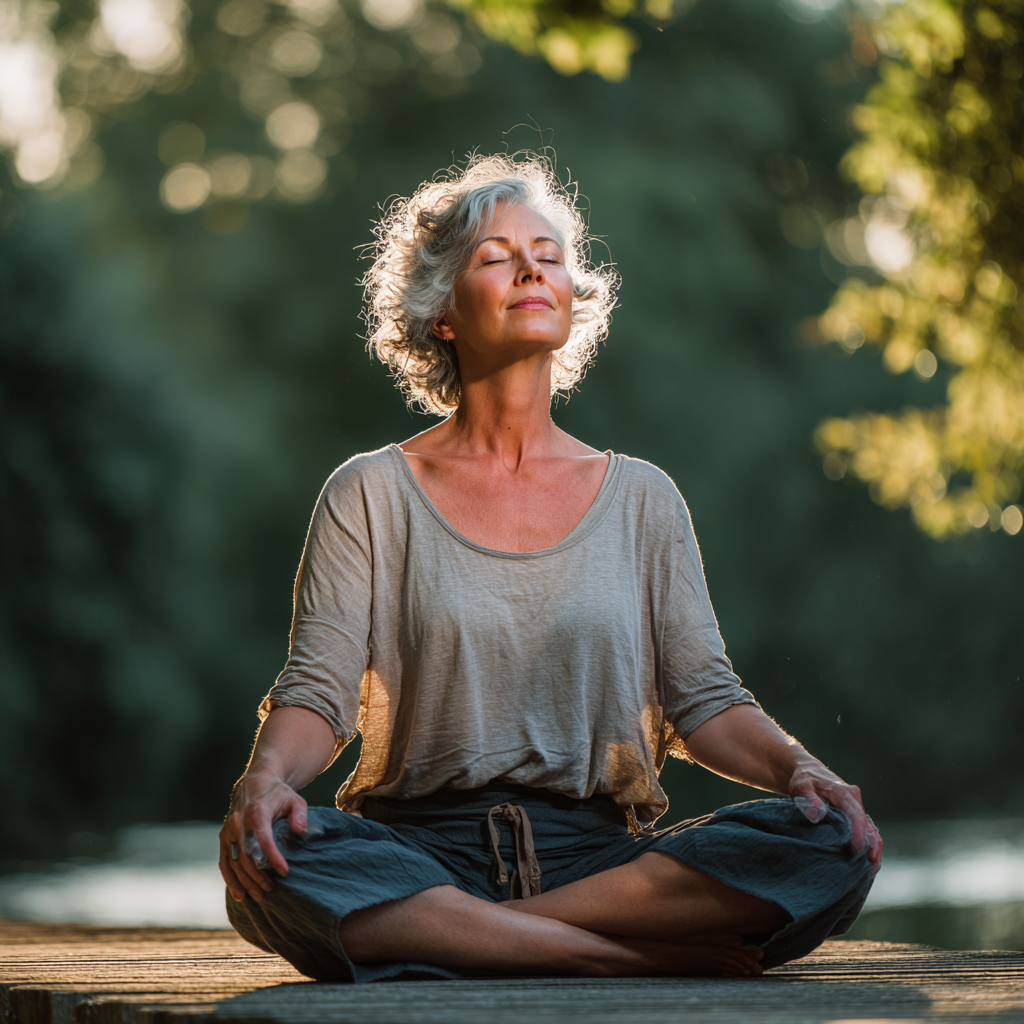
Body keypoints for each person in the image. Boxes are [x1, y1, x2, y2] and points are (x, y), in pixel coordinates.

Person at [219, 153, 881, 983]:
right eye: (496, 256)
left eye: (550, 254)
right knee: (273, 852)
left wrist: (800, 768)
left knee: (828, 843)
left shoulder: (644, 498)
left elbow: (705, 699)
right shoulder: (369, 493)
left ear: (571, 297)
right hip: (419, 850)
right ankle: (606, 959)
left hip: (602, 867)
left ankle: (462, 937)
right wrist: (266, 780)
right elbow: (318, 690)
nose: (532, 265)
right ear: (440, 315)